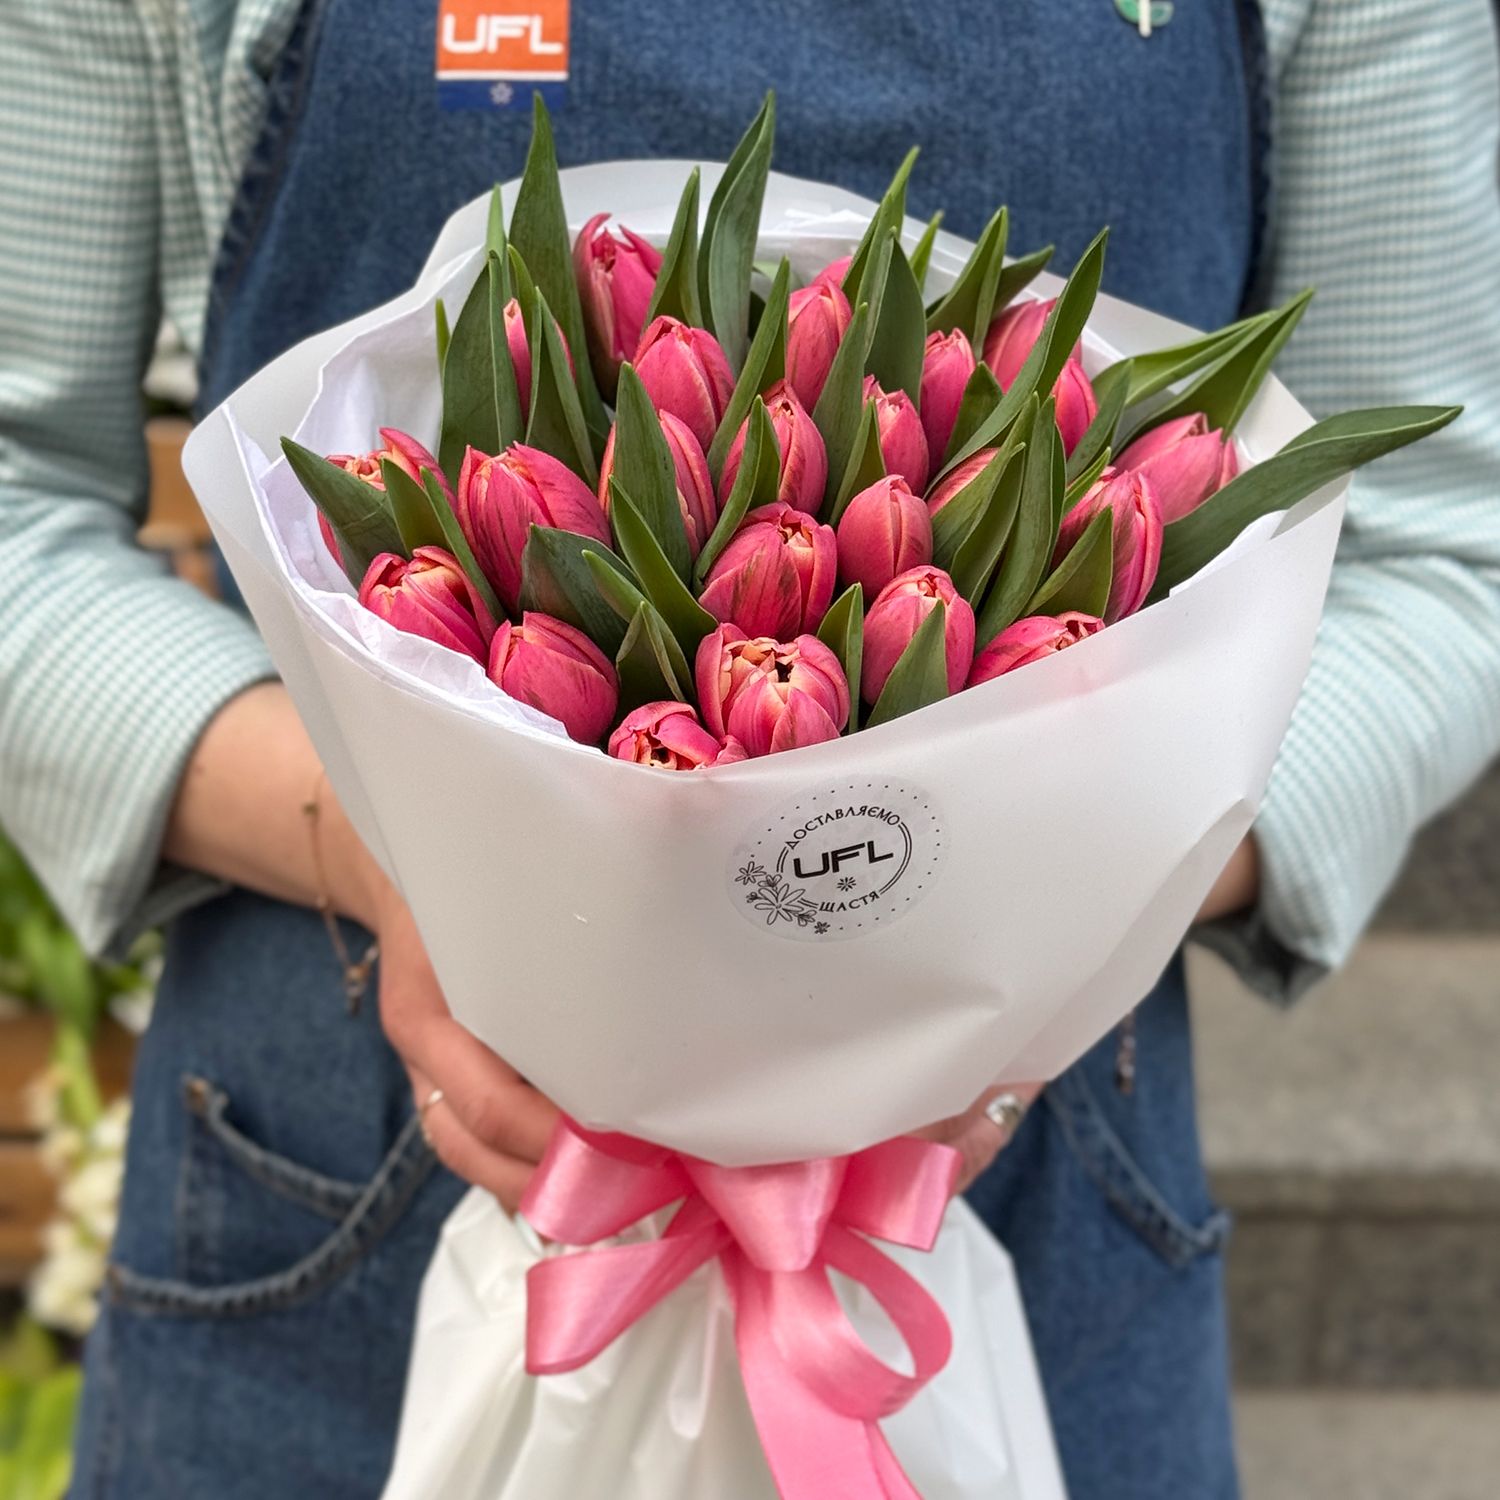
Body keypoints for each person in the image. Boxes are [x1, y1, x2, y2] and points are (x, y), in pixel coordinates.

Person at [1, 1, 1496, 1496]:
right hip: (347, 1162)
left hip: (1015, 1168)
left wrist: (1062, 898)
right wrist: (392, 848)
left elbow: (1445, 556)